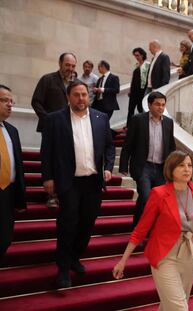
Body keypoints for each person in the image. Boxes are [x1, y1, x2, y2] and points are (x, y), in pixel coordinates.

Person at [113, 151, 193, 310]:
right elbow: (141, 229)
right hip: (164, 256)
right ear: (171, 169)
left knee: (170, 305)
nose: (187, 169)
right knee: (180, 307)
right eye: (181, 165)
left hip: (190, 254)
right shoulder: (158, 194)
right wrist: (123, 260)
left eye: (189, 165)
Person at [41, 80, 115, 288]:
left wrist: (108, 167)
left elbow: (109, 147)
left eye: (84, 94)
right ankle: (63, 268)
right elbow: (46, 150)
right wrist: (47, 177)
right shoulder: (54, 119)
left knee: (87, 223)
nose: (81, 98)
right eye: (76, 95)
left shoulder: (101, 118)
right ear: (68, 97)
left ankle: (75, 257)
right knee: (68, 223)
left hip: (93, 181)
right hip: (69, 181)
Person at [119, 91, 176, 226]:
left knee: (158, 200)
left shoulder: (168, 123)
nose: (160, 107)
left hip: (161, 167)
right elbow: (128, 144)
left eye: (163, 105)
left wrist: (173, 168)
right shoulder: (138, 120)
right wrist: (123, 165)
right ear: (149, 105)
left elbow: (171, 147)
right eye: (157, 104)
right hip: (143, 166)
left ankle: (151, 227)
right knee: (145, 196)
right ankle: (138, 227)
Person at [31, 52, 77, 209]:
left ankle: (64, 193)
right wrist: (49, 121)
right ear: (60, 63)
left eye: (73, 66)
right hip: (50, 129)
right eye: (67, 65)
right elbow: (36, 102)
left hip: (70, 131)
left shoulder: (76, 83)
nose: (70, 69)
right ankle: (51, 195)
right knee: (50, 160)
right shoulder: (47, 79)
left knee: (65, 162)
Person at [0, 85, 26, 263]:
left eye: (11, 101)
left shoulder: (12, 131)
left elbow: (18, 165)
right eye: (4, 100)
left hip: (6, 193)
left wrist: (19, 197)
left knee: (4, 238)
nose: (9, 105)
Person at [128, 48, 150, 127]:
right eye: (135, 55)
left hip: (141, 91)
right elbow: (133, 79)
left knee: (140, 108)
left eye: (137, 55)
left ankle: (141, 126)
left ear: (142, 55)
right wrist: (130, 90)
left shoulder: (147, 65)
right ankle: (128, 126)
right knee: (130, 109)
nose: (136, 57)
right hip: (134, 91)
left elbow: (147, 79)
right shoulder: (137, 65)